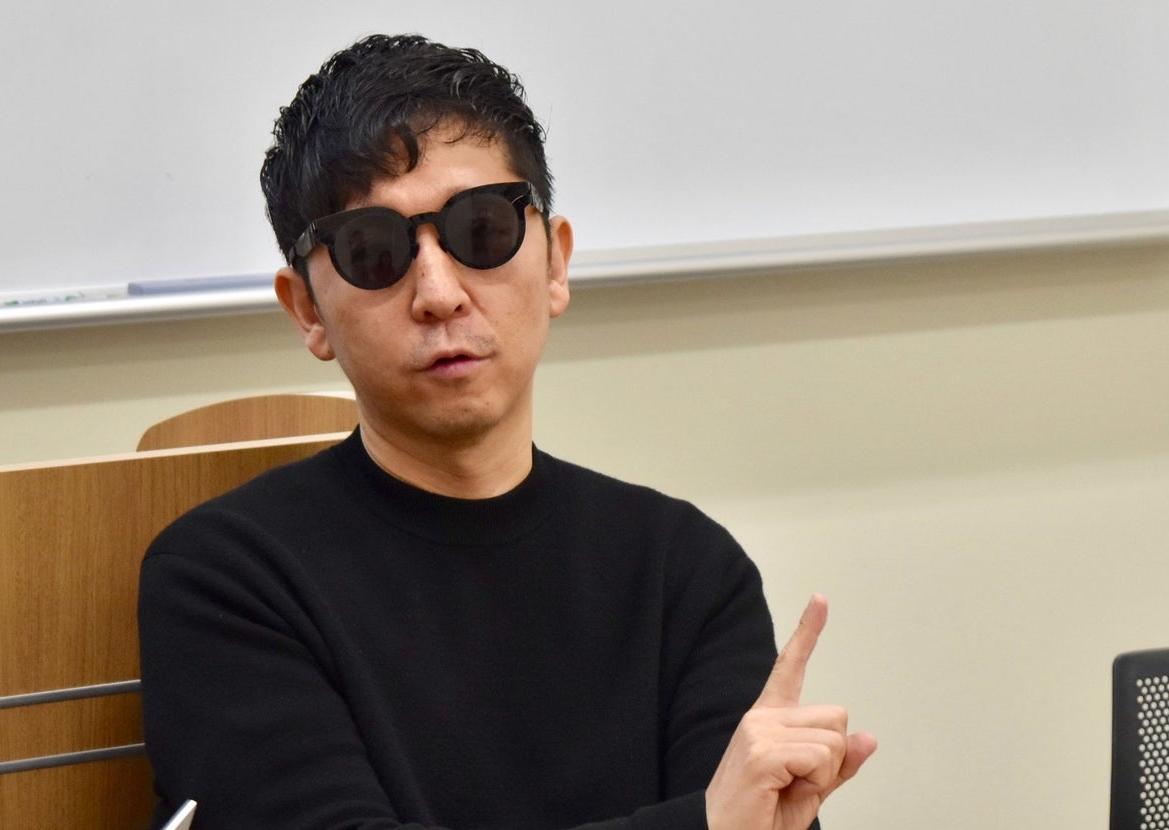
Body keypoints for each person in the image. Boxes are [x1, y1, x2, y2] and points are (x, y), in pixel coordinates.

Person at [137, 33, 876, 830]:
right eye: (372, 251)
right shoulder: (225, 580)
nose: (439, 293)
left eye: (481, 229)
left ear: (555, 264)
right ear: (307, 311)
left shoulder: (685, 570)